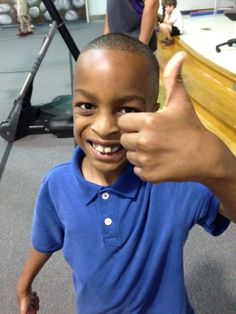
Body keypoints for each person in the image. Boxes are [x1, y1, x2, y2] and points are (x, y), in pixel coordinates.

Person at [16, 33, 236, 314]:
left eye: (126, 109)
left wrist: (219, 165)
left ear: (151, 113)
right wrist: (24, 283)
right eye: (87, 106)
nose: (105, 127)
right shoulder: (56, 184)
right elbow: (45, 239)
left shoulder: (174, 181)